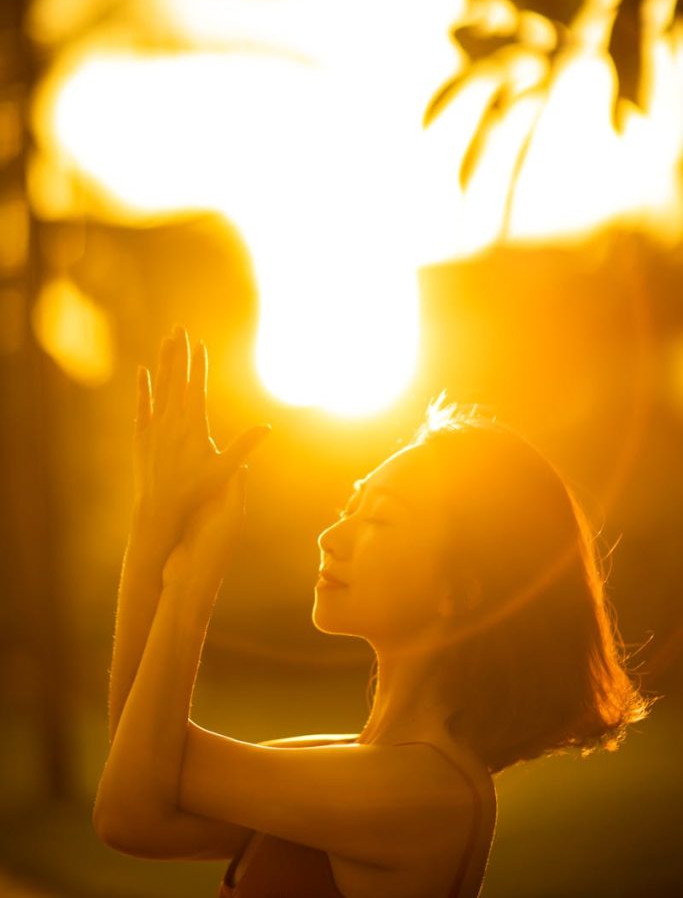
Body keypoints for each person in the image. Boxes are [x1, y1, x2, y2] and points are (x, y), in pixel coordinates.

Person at [93, 325, 650, 898]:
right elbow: (139, 799)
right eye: (349, 506)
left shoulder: (425, 794)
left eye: (379, 518)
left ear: (459, 591)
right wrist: (153, 531)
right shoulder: (355, 763)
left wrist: (195, 579)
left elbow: (127, 798)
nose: (332, 534)